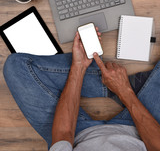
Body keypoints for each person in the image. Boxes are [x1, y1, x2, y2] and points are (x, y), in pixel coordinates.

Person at [3, 28, 160, 151]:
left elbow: (63, 133)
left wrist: (78, 67)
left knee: (17, 67)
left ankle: (115, 82)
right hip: (142, 133)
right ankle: (121, 84)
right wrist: (125, 91)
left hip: (77, 134)